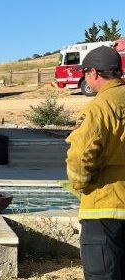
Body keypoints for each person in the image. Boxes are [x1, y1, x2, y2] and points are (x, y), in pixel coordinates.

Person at [65, 46, 125, 280]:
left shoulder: (99, 107)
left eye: (85, 73)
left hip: (104, 207)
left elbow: (80, 155)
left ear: (95, 73)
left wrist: (80, 184)